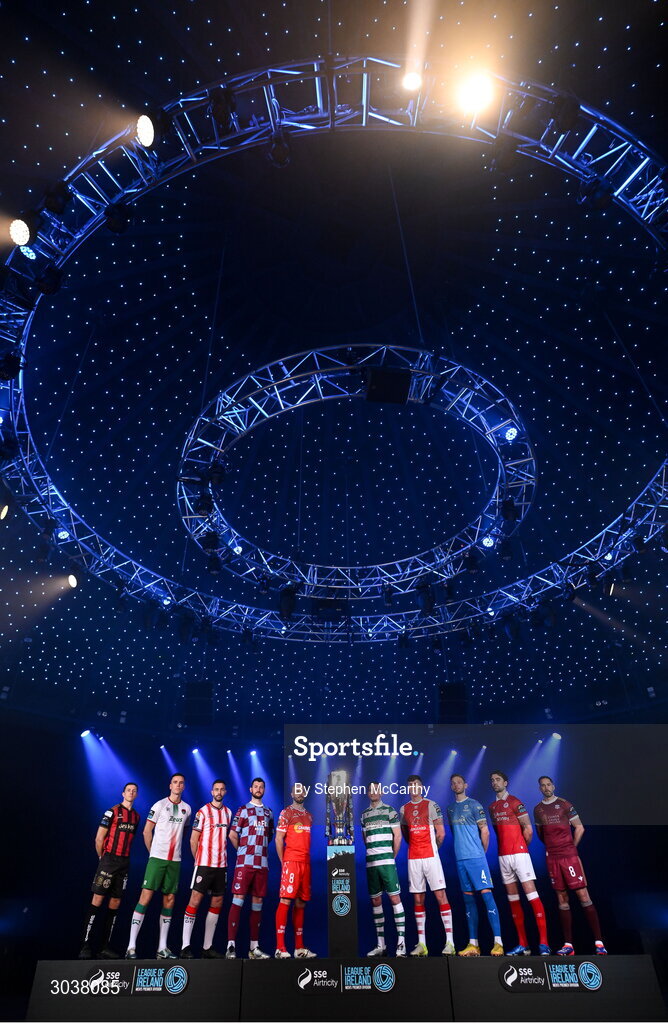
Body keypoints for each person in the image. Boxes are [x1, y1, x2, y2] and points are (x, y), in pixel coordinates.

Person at [534, 775, 607, 955]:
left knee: (583, 895)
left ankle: (599, 943)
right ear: (540, 788)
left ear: (553, 786)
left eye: (548, 784)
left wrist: (571, 848)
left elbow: (580, 827)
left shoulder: (565, 804)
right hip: (552, 858)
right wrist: (553, 848)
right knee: (562, 898)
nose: (546, 788)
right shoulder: (538, 809)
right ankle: (568, 945)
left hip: (569, 856)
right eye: (542, 785)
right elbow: (541, 834)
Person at [125, 773, 191, 959]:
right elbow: (147, 831)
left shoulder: (187, 808)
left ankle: (162, 947)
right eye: (175, 782)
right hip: (157, 859)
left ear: (184, 786)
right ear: (170, 785)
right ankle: (131, 946)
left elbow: (184, 832)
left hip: (175, 861)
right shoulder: (159, 805)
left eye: (181, 783)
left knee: (169, 899)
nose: (178, 785)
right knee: (145, 897)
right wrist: (152, 853)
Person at [489, 770, 550, 955]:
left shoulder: (515, 802)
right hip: (503, 856)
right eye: (492, 780)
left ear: (505, 782)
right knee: (513, 899)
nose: (495, 782)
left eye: (498, 779)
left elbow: (528, 830)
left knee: (532, 895)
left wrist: (521, 847)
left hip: (519, 854)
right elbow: (497, 833)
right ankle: (523, 944)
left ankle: (544, 943)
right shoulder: (492, 807)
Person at [78, 782, 140, 959]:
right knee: (97, 900)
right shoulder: (111, 812)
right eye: (128, 790)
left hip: (124, 863)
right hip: (108, 860)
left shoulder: (136, 817)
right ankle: (85, 945)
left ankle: (104, 947)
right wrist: (102, 858)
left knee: (115, 903)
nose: (131, 793)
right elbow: (99, 839)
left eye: (134, 791)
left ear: (136, 795)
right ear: (123, 793)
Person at [447, 774, 503, 957]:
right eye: (453, 783)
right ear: (451, 787)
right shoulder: (450, 809)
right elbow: (455, 834)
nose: (456, 785)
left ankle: (498, 943)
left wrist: (481, 854)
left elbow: (485, 831)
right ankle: (473, 945)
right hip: (460, 859)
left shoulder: (474, 805)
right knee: (468, 901)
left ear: (466, 785)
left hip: (476, 858)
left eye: (459, 782)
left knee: (487, 897)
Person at [399, 774, 454, 957]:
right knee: (417, 899)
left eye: (416, 784)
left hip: (431, 857)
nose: (413, 787)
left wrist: (433, 849)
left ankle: (450, 942)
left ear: (421, 787)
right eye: (410, 785)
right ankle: (422, 944)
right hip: (414, 859)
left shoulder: (431, 805)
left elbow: (441, 833)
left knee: (440, 896)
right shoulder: (404, 809)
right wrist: (416, 847)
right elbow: (406, 834)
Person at [180, 779, 231, 959]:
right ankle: (185, 946)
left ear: (225, 792)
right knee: (195, 900)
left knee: (217, 902)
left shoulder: (228, 813)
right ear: (211, 792)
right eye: (216, 789)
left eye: (222, 789)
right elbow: (193, 840)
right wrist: (199, 861)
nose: (219, 792)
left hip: (221, 866)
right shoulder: (202, 812)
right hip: (204, 864)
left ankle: (207, 947)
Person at [226, 777, 274, 959]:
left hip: (262, 864)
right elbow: (232, 834)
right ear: (250, 789)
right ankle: (231, 946)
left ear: (264, 790)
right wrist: (242, 851)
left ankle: (254, 948)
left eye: (261, 787)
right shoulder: (243, 810)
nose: (258, 789)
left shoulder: (269, 812)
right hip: (244, 864)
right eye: (256, 786)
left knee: (257, 903)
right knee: (238, 900)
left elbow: (269, 836)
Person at [361, 782, 406, 957]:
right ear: (368, 793)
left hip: (387, 862)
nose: (373, 792)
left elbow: (398, 837)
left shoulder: (390, 811)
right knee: (375, 901)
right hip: (371, 863)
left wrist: (391, 857)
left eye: (376, 790)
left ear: (381, 792)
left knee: (395, 898)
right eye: (370, 790)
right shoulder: (364, 815)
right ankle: (381, 945)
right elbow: (365, 839)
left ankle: (401, 944)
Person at [274, 782, 317, 959]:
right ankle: (280, 948)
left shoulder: (309, 816)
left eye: (302, 790)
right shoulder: (286, 813)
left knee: (301, 903)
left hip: (305, 863)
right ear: (292, 794)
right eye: (296, 790)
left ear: (305, 793)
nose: (299, 793)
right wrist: (284, 862)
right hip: (291, 861)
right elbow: (278, 839)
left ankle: (299, 948)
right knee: (285, 900)